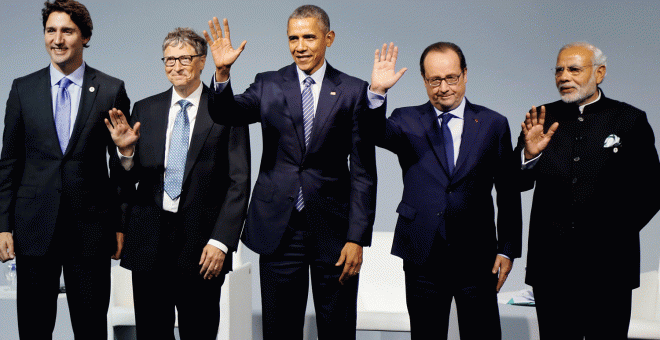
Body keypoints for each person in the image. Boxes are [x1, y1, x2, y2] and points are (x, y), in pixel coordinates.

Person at [202, 5, 392, 339]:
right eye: (293, 38)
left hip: (334, 232)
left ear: (328, 38)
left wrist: (356, 237)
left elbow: (363, 171)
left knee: (337, 329)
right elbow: (225, 113)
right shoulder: (269, 84)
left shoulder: (352, 90)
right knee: (279, 329)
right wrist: (221, 74)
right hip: (279, 228)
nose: (300, 46)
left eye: (308, 37)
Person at [104, 27, 250, 339]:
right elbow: (127, 180)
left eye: (185, 58)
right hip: (149, 243)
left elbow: (239, 182)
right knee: (151, 333)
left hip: (202, 248)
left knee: (199, 331)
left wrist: (221, 241)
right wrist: (125, 152)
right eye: (169, 60)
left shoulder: (226, 110)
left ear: (202, 61)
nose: (177, 66)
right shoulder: (146, 109)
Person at [370, 42, 522, 339]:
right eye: (434, 80)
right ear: (424, 80)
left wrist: (507, 248)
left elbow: (507, 190)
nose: (443, 87)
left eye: (451, 77)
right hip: (422, 253)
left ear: (465, 75)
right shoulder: (406, 119)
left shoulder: (493, 124)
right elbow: (373, 133)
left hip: (478, 256)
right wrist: (377, 92)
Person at [0, 0, 129, 338]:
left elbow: (120, 166)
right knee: (33, 329)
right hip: (33, 229)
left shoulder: (111, 89)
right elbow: (9, 162)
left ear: (84, 36)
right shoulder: (22, 89)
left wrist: (120, 224)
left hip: (90, 231)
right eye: (50, 30)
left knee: (90, 330)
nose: (57, 39)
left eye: (67, 31)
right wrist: (3, 225)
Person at [518, 41, 660, 339]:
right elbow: (516, 183)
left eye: (574, 69)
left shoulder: (630, 120)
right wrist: (529, 156)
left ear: (600, 73)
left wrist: (617, 231)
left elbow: (652, 188)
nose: (564, 77)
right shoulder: (540, 117)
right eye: (559, 70)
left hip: (610, 266)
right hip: (551, 266)